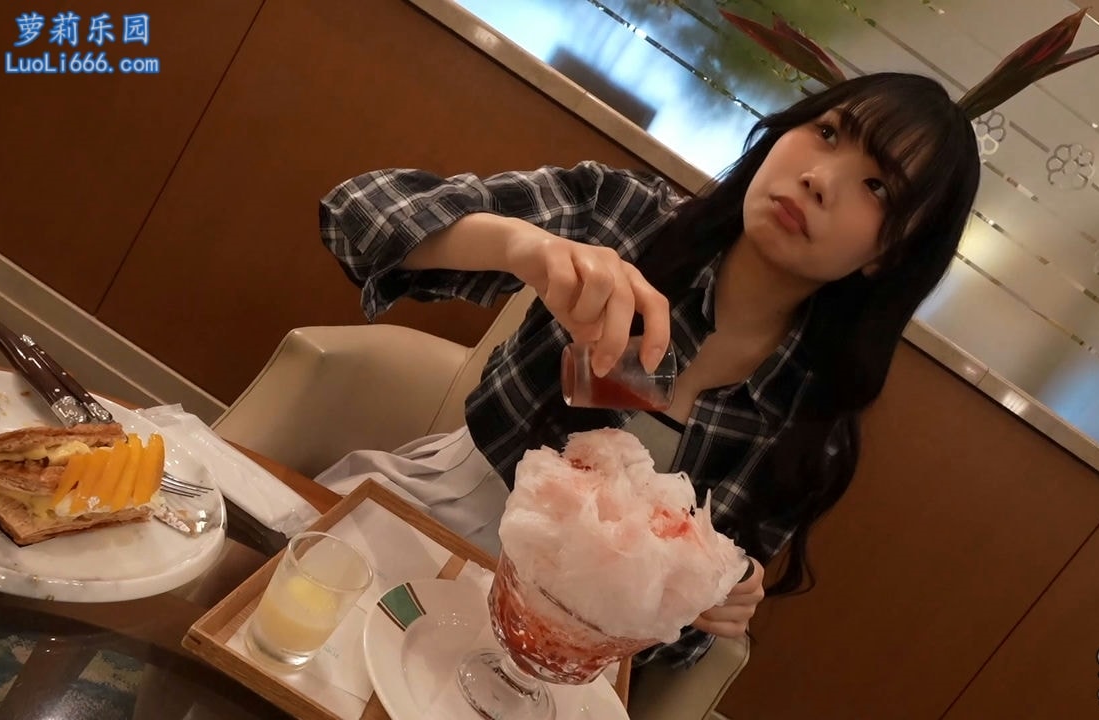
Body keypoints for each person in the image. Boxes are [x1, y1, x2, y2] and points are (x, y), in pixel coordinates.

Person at [318, 71, 981, 670]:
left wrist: (715, 597)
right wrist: (521, 246)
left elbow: (668, 643)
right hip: (428, 525)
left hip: (558, 657)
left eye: (877, 187)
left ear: (891, 254)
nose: (820, 178)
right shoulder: (629, 218)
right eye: (828, 132)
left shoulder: (810, 419)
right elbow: (360, 212)